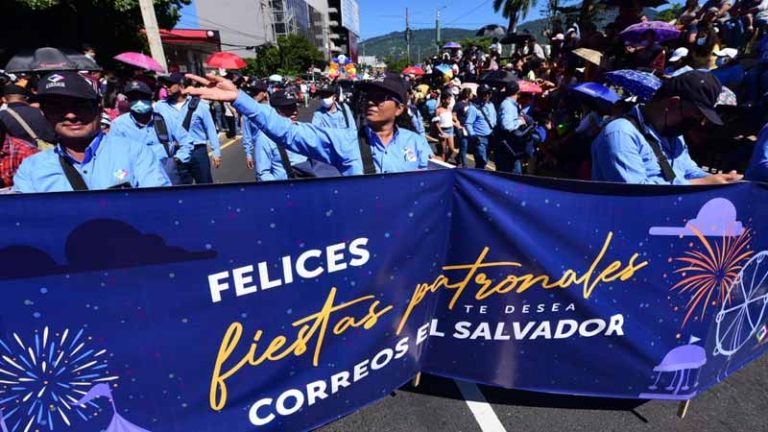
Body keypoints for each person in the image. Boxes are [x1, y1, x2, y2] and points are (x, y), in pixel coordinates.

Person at [186, 72, 432, 175]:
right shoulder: (345, 141)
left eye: (381, 98)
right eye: (369, 96)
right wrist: (240, 99)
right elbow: (290, 134)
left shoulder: (416, 143)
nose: (371, 103)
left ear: (399, 107)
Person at [13, 71, 171, 192]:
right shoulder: (31, 169)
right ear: (45, 113)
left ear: (99, 109)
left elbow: (161, 209)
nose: (71, 115)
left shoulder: (136, 154)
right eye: (57, 107)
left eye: (80, 105)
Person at [591, 71, 743, 185]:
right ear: (673, 103)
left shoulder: (674, 134)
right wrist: (701, 184)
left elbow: (688, 171)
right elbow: (635, 193)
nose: (701, 122)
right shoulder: (621, 133)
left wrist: (724, 180)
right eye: (696, 114)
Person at [110, 80, 194, 184]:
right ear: (128, 100)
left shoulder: (165, 118)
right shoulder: (119, 125)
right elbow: (114, 155)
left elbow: (187, 141)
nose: (139, 102)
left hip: (167, 173)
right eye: (134, 98)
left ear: (151, 98)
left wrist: (177, 160)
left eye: (143, 97)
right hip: (137, 177)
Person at [155, 73, 221, 184]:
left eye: (170, 84)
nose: (166, 87)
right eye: (165, 84)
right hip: (176, 153)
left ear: (181, 85)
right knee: (182, 189)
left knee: (205, 186)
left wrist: (216, 152)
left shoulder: (200, 105)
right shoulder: (160, 107)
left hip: (198, 152)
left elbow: (210, 128)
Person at [496, 80, 528, 174]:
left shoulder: (512, 105)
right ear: (518, 92)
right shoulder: (508, 105)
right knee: (511, 175)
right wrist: (520, 121)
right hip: (507, 148)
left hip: (511, 146)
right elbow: (507, 125)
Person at [469, 84, 496, 170]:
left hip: (491, 137)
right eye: (485, 93)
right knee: (481, 161)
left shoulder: (491, 105)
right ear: (480, 94)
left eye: (489, 93)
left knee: (486, 160)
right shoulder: (473, 108)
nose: (487, 95)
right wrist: (473, 135)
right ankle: (477, 180)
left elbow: (494, 119)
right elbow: (468, 123)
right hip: (480, 138)